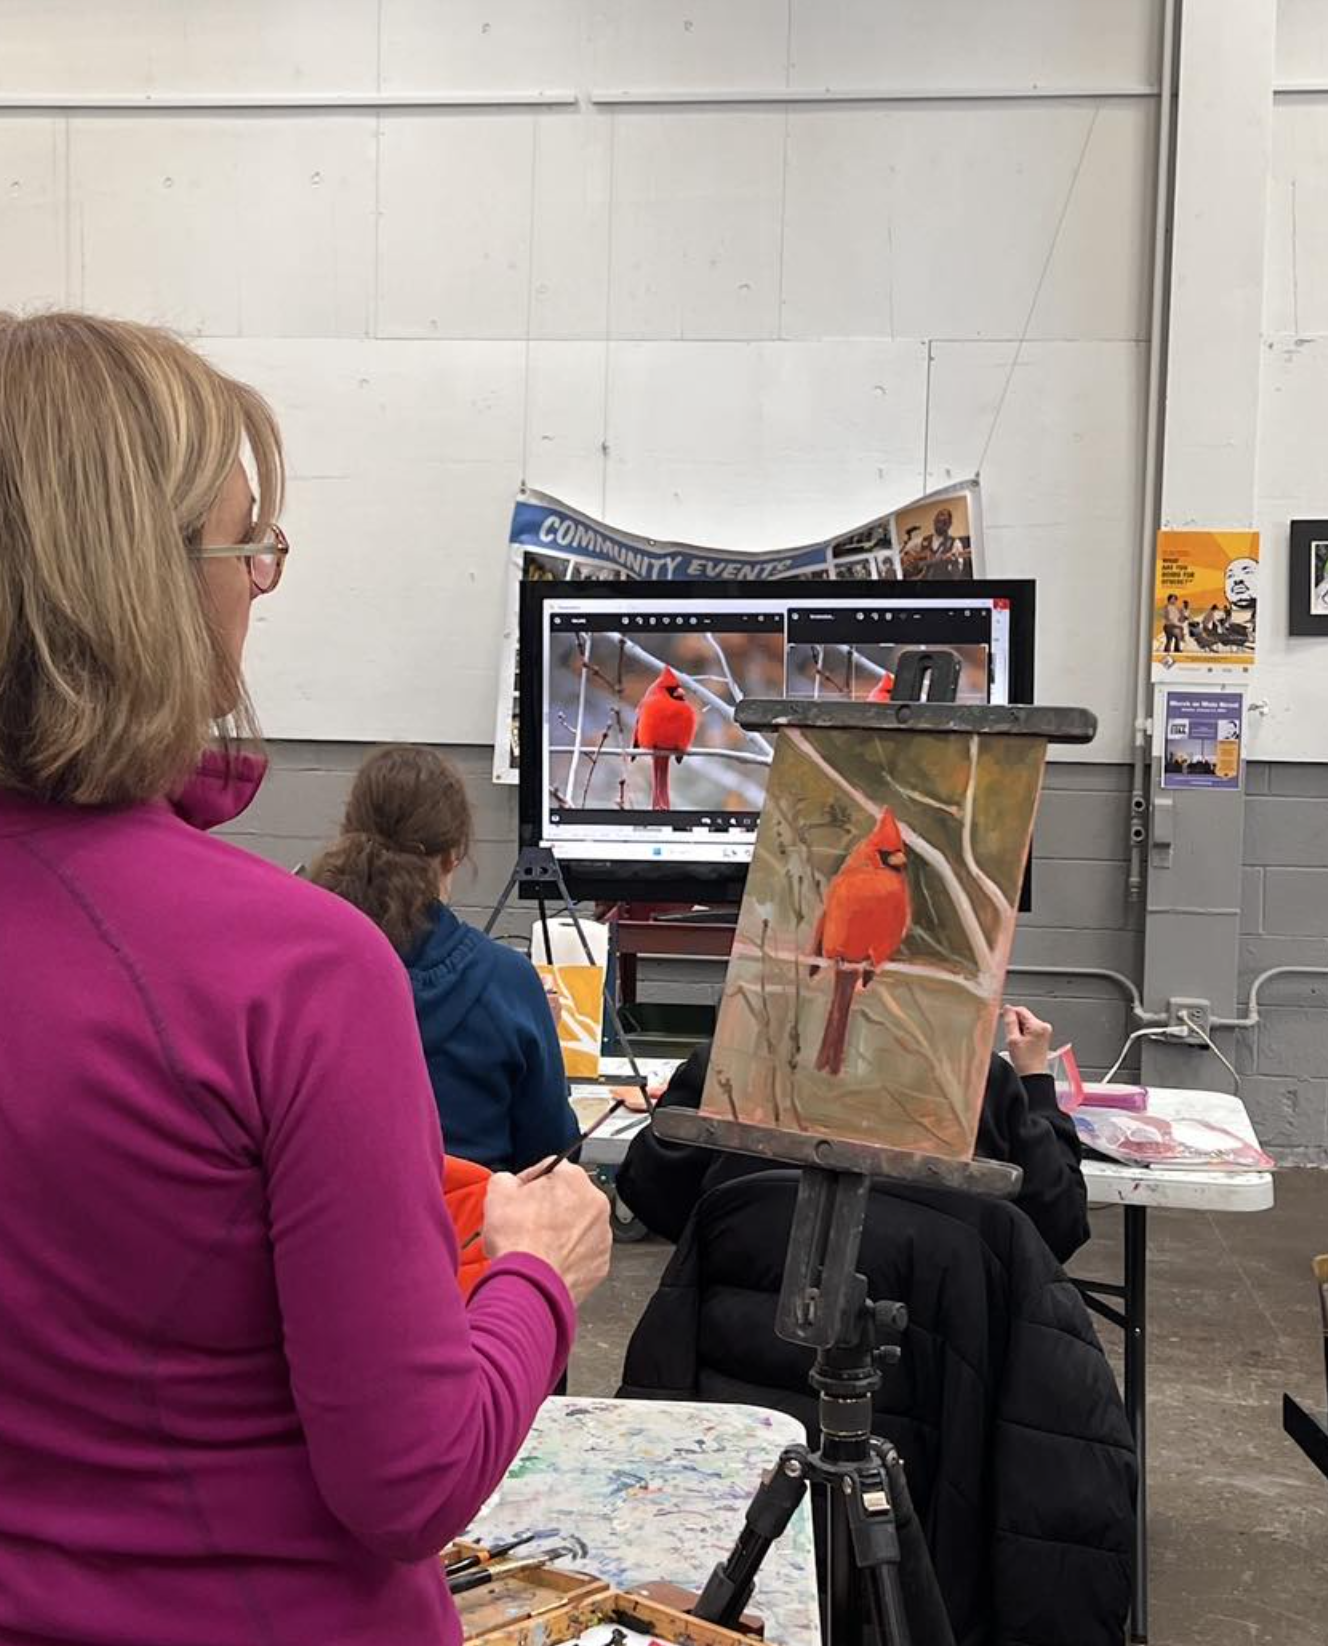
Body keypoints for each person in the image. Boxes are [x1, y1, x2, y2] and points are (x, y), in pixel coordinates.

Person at [0, 311, 611, 1646]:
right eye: (246, 545)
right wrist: (536, 1274)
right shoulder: (294, 973)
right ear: (140, 584)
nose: (261, 583)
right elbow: (410, 1477)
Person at [617, 1004, 1090, 1263]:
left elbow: (650, 1190)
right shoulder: (979, 1084)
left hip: (733, 1357)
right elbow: (1059, 1223)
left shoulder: (735, 1064)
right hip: (939, 1374)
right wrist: (1035, 1082)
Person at [309, 745, 580, 1173]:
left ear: (348, 832)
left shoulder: (300, 970)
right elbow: (552, 1154)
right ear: (454, 853)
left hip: (324, 1209)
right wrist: (536, 1029)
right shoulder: (507, 983)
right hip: (470, 1214)